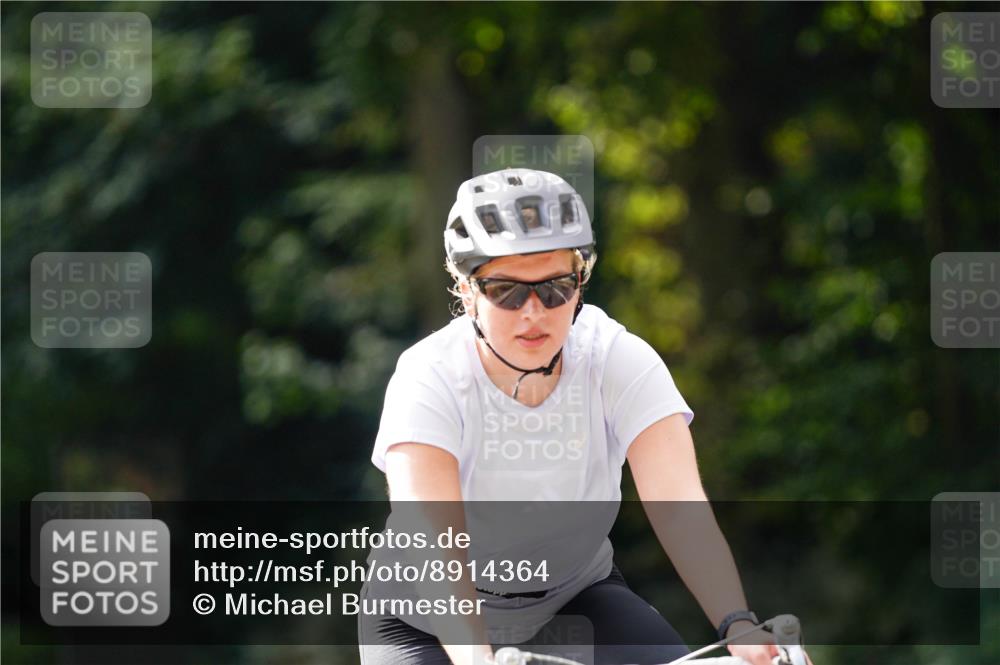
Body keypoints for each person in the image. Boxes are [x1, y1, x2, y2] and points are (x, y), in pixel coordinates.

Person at [358, 169, 784, 665]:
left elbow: (678, 505)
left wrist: (739, 624)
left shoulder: (617, 359)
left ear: (580, 282)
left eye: (556, 287)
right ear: (467, 289)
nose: (534, 312)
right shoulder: (428, 377)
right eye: (508, 291)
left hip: (572, 597)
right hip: (425, 621)